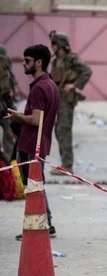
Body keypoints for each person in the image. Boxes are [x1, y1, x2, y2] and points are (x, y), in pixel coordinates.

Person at [6, 44, 60, 240]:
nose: (23, 63)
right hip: (40, 144)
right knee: (37, 185)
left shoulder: (39, 88)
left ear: (38, 63)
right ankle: (47, 224)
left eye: (27, 60)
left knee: (33, 188)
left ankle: (37, 227)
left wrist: (18, 117)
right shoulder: (51, 85)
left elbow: (36, 120)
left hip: (30, 145)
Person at [48, 30, 92, 175]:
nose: (52, 47)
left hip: (67, 99)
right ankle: (64, 163)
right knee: (58, 130)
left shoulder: (71, 59)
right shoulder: (56, 61)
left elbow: (87, 71)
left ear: (61, 45)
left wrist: (75, 85)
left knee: (64, 130)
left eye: (54, 44)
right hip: (57, 98)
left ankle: (67, 165)